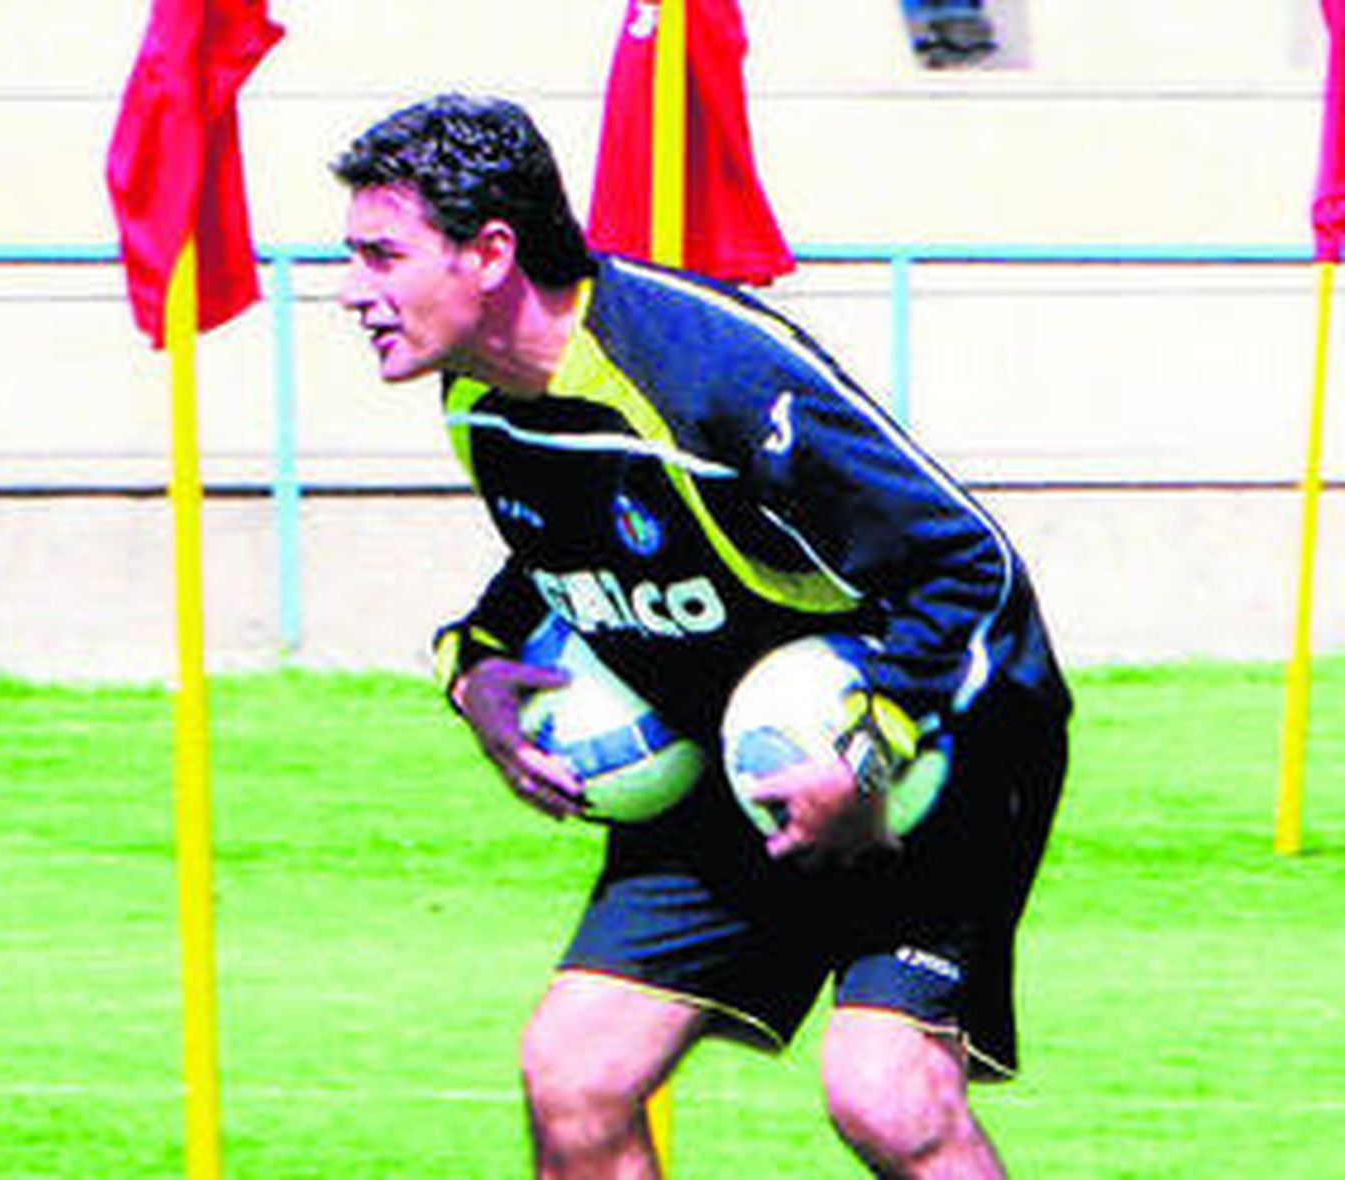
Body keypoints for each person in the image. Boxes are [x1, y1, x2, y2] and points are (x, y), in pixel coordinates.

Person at [332, 93, 1069, 1179]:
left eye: (381, 256)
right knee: (575, 1072)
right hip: (725, 755)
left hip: (934, 743)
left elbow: (967, 565)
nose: (353, 292)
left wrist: (865, 748)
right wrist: (475, 664)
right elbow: (562, 548)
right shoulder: (479, 404)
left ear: (489, 253)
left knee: (884, 1094)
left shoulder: (715, 377)